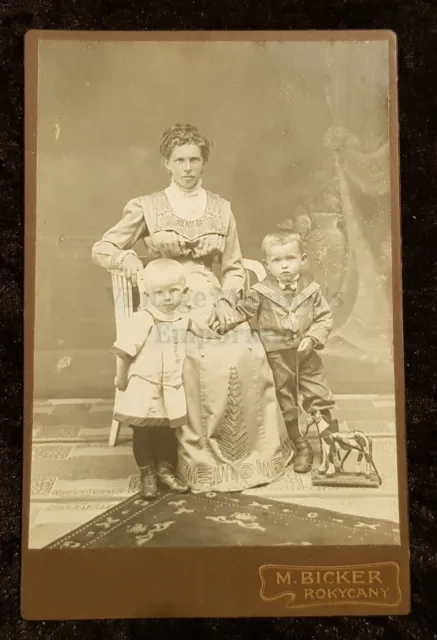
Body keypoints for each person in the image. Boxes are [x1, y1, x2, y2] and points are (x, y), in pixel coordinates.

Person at [92, 123, 292, 493]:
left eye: (194, 160)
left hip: (210, 295)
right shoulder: (146, 206)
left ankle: (245, 455)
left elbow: (233, 267)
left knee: (243, 351)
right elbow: (102, 248)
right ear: (166, 163)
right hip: (165, 297)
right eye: (179, 160)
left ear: (204, 163)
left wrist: (225, 299)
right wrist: (129, 262)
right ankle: (179, 461)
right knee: (187, 356)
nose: (187, 168)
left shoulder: (221, 208)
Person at [220, 230, 338, 473]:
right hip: (277, 357)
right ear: (267, 264)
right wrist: (219, 321)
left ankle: (331, 444)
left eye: (290, 258)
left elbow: (324, 318)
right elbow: (241, 313)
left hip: (306, 354)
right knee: (286, 400)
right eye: (277, 260)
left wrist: (313, 337)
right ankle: (300, 444)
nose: (284, 266)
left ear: (302, 259)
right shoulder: (260, 292)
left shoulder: (312, 290)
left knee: (319, 394)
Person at [112, 259, 218, 500]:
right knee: (143, 433)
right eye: (159, 293)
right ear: (148, 294)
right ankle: (147, 473)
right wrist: (120, 379)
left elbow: (197, 327)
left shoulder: (182, 319)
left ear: (184, 292)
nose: (167, 298)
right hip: (142, 386)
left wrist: (214, 335)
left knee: (166, 433)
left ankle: (165, 471)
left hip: (169, 388)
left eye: (173, 291)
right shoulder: (142, 320)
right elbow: (123, 352)